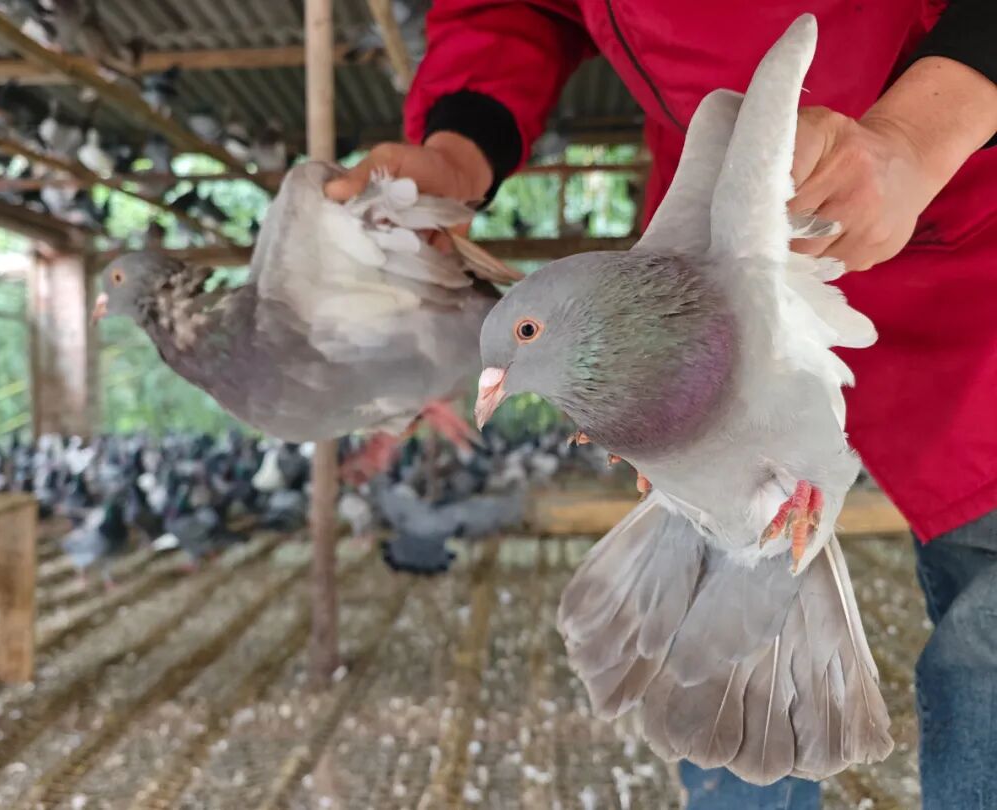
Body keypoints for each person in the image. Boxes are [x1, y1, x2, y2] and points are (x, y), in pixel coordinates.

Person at [329, 1, 997, 807]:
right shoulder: (608, 340)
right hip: (707, 267)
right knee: (732, 669)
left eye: (527, 335)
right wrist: (457, 150)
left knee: (988, 652)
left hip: (972, 240)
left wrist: (922, 135)